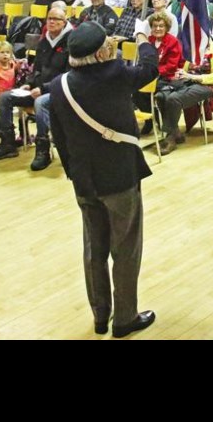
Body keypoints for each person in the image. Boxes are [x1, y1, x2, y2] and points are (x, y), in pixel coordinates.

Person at [47, 21, 159, 338]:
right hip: (120, 177)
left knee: (94, 250)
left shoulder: (59, 85)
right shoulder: (116, 74)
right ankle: (124, 319)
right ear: (101, 52)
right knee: (125, 249)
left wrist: (75, 174)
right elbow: (149, 68)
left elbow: (60, 139)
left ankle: (100, 315)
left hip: (84, 180)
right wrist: (142, 37)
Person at [0, 9, 70, 168]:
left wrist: (44, 89)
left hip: (59, 91)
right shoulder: (44, 41)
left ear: (64, 22)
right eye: (49, 18)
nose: (51, 22)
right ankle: (8, 143)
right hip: (37, 89)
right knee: (5, 97)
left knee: (40, 102)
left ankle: (43, 149)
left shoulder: (70, 43)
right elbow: (36, 68)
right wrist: (29, 83)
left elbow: (67, 75)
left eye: (56, 19)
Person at [155, 40, 213, 155]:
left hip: (208, 85)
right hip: (187, 80)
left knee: (174, 99)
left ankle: (171, 137)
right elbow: (182, 67)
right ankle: (175, 132)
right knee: (161, 96)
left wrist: (192, 76)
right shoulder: (189, 47)